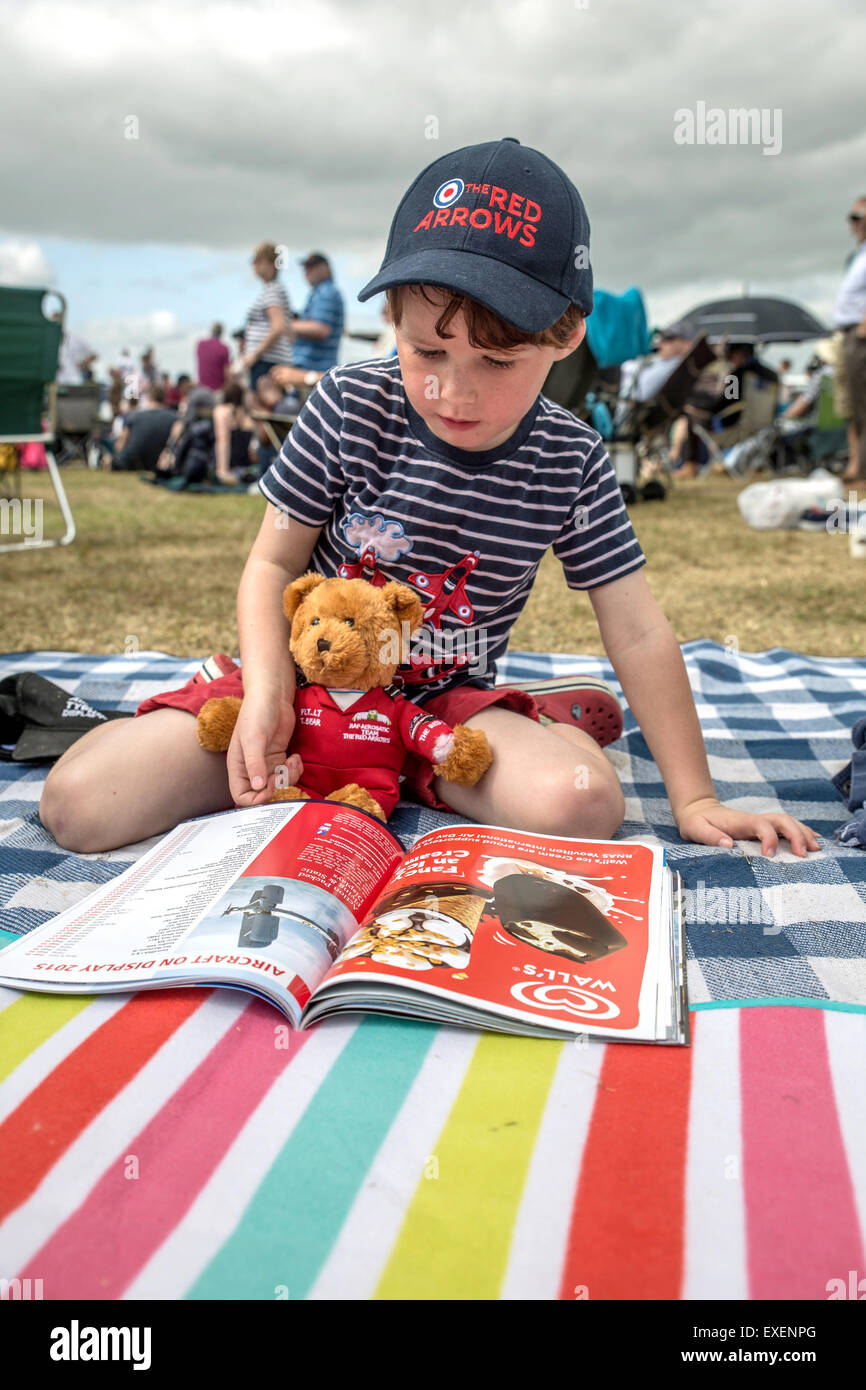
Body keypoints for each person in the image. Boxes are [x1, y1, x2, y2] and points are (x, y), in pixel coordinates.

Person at [39, 137, 819, 862]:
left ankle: (477, 741)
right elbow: (271, 564)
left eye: (498, 358)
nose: (455, 389)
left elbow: (640, 630)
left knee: (583, 803)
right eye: (428, 351)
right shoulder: (349, 401)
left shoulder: (572, 457)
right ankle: (376, 746)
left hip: (441, 708)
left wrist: (695, 796)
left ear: (566, 336)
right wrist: (269, 694)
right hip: (306, 687)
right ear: (391, 320)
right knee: (80, 806)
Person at [268, 252, 344, 393]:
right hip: (309, 374)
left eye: (312, 267)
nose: (307, 271)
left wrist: (283, 324)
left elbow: (321, 329)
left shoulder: (327, 292)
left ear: (325, 268)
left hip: (314, 374)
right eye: (306, 267)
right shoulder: (319, 293)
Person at [832, 195, 866, 483]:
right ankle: (856, 466)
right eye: (853, 217)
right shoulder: (858, 255)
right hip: (849, 333)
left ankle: (863, 470)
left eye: (860, 216)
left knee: (863, 402)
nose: (855, 223)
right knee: (853, 405)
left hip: (861, 333)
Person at [238, 242, 294, 388]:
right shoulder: (272, 289)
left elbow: (277, 327)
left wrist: (254, 355)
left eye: (258, 260)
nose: (254, 265)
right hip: (268, 359)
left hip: (267, 361)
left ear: (271, 264)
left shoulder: (273, 290)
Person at [109, 384, 177, 471]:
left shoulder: (133, 416)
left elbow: (120, 444)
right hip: (157, 463)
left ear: (149, 399)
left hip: (129, 462)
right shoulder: (174, 418)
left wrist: (115, 457)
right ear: (165, 399)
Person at [213, 382, 258, 485]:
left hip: (229, 463)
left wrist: (222, 472)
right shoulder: (248, 414)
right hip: (245, 464)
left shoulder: (222, 411)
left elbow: (222, 441)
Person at [196, 323, 231, 391]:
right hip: (218, 390)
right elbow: (227, 372)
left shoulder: (200, 344)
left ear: (211, 331)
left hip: (202, 389)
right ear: (221, 333)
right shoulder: (223, 348)